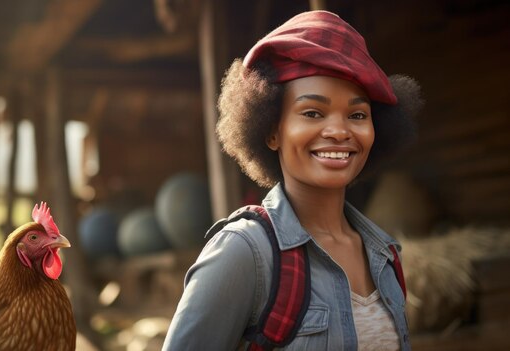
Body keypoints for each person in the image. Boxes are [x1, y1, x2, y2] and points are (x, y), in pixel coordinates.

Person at [162, 10, 422, 351]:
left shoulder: (385, 256)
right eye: (313, 112)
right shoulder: (244, 254)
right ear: (271, 130)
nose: (339, 131)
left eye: (357, 115)